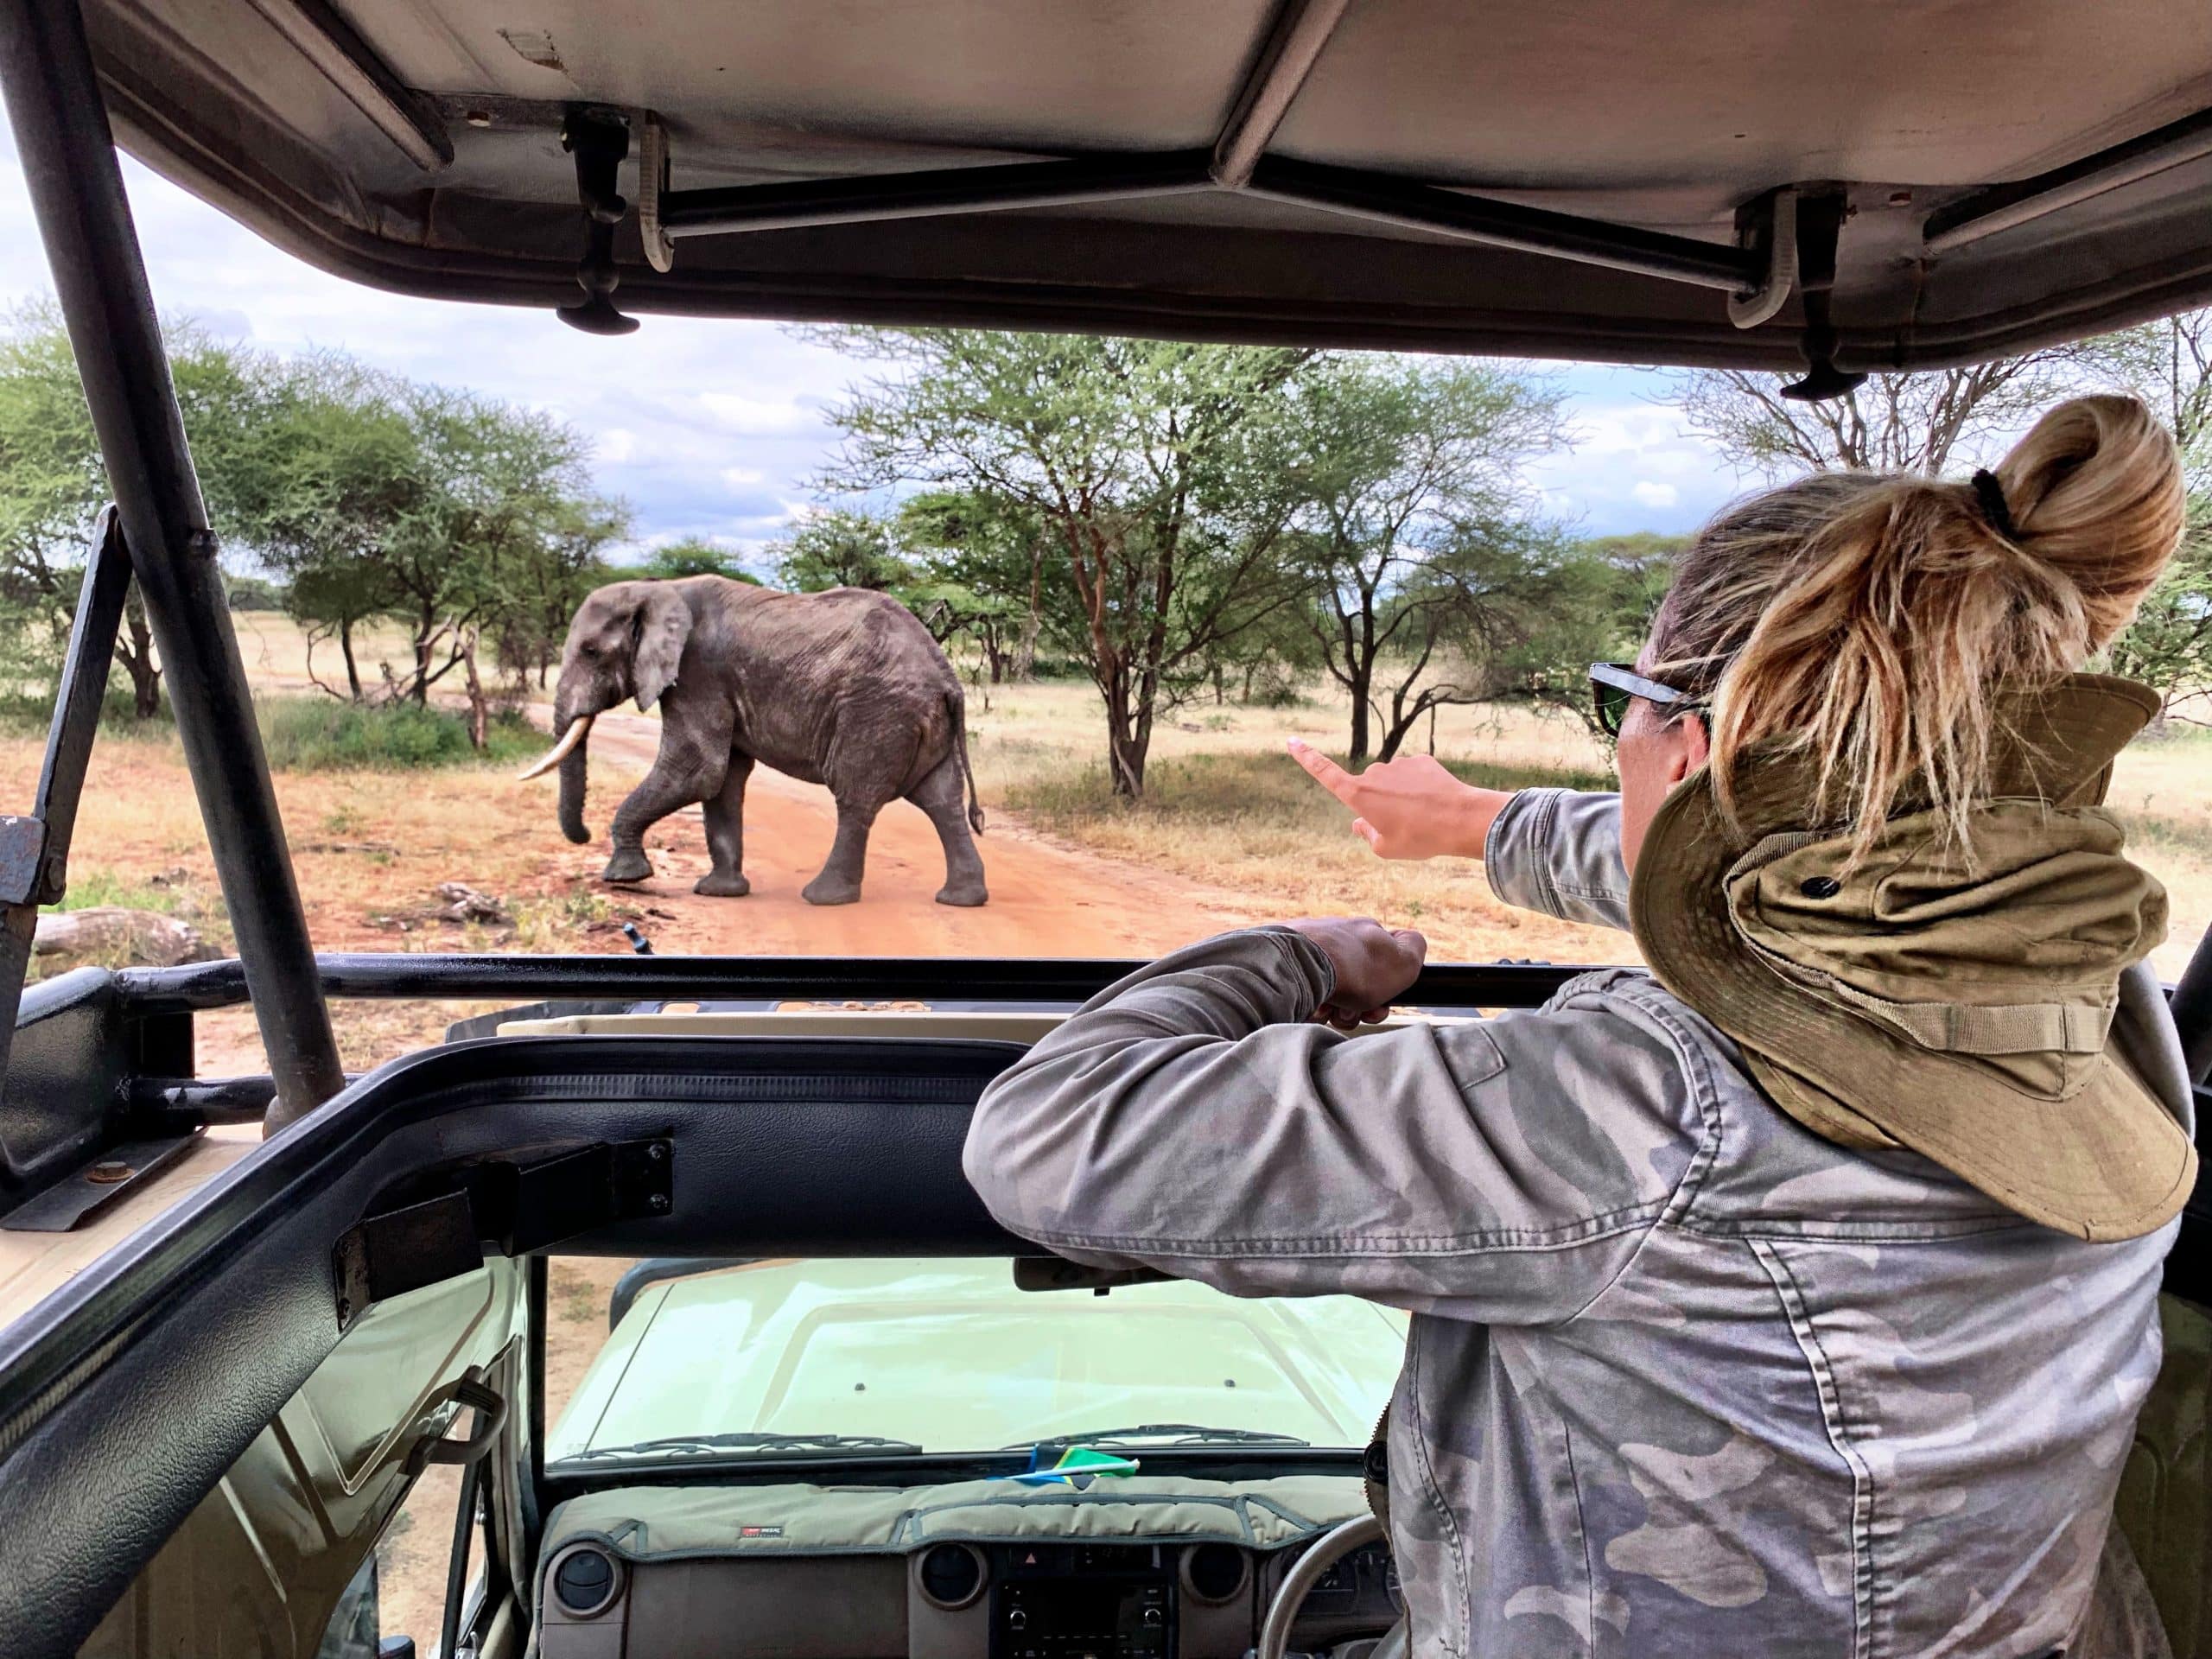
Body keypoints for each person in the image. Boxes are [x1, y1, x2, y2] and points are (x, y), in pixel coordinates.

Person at [963, 394, 2196, 1658]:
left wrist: (1296, 957)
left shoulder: (1645, 1110)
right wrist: (1477, 827)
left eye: (1628, 708)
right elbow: (1802, 882)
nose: (1619, 754)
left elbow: (1050, 1136)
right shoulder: (2107, 1011)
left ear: (1699, 741)